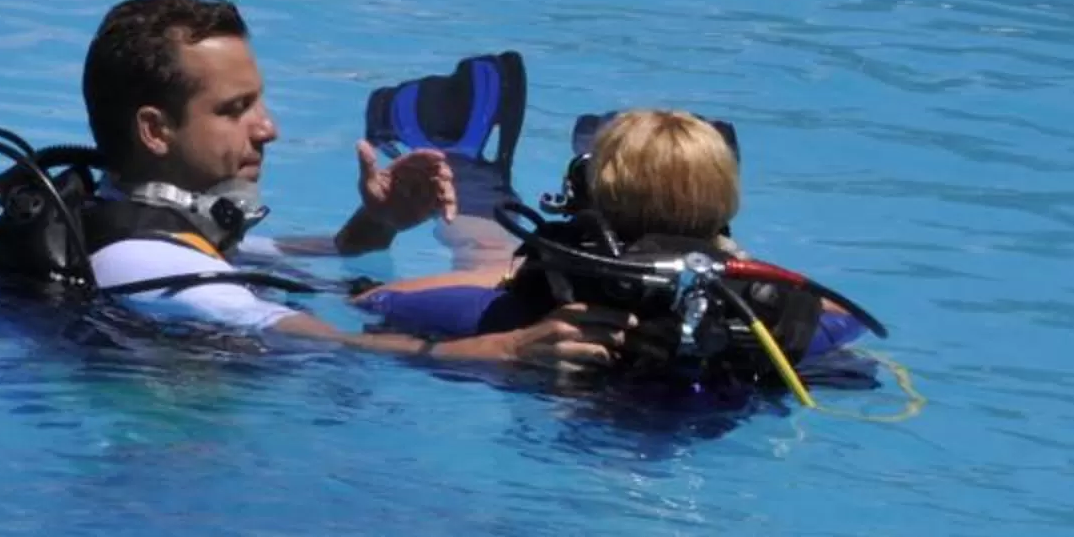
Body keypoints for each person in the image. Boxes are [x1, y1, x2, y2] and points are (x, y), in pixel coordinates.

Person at [75, 0, 626, 371]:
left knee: (485, 278)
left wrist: (376, 223)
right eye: (235, 109)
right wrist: (507, 350)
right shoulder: (148, 262)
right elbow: (330, 342)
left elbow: (290, 256)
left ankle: (477, 186)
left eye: (259, 101)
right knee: (485, 282)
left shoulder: (152, 224)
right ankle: (478, 186)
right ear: (155, 129)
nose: (269, 128)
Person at [358, 107, 856, 378]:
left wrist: (518, 274)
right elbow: (844, 317)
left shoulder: (521, 319)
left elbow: (375, 301)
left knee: (486, 253)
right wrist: (731, 263)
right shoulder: (778, 329)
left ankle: (473, 184)